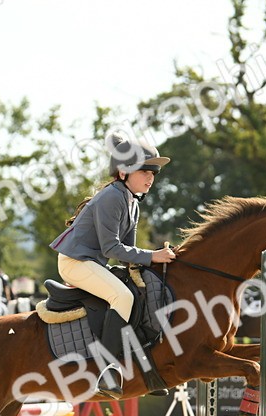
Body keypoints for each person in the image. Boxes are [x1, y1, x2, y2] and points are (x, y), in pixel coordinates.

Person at [49, 133, 175, 397]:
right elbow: (111, 249)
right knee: (122, 296)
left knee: (138, 296)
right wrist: (153, 256)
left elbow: (125, 255)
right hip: (75, 262)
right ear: (123, 172)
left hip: (92, 262)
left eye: (153, 172)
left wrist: (151, 262)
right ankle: (105, 372)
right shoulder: (112, 197)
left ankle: (147, 372)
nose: (151, 177)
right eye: (145, 170)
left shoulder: (132, 204)